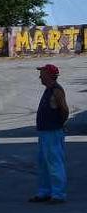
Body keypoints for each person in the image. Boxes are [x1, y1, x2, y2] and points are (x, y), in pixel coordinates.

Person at [30, 64, 69, 204]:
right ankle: (44, 191)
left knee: (54, 162)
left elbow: (64, 110)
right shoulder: (48, 90)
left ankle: (58, 194)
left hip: (52, 132)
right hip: (45, 132)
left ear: (48, 75)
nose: (40, 76)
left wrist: (59, 124)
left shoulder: (56, 91)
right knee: (43, 163)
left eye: (42, 73)